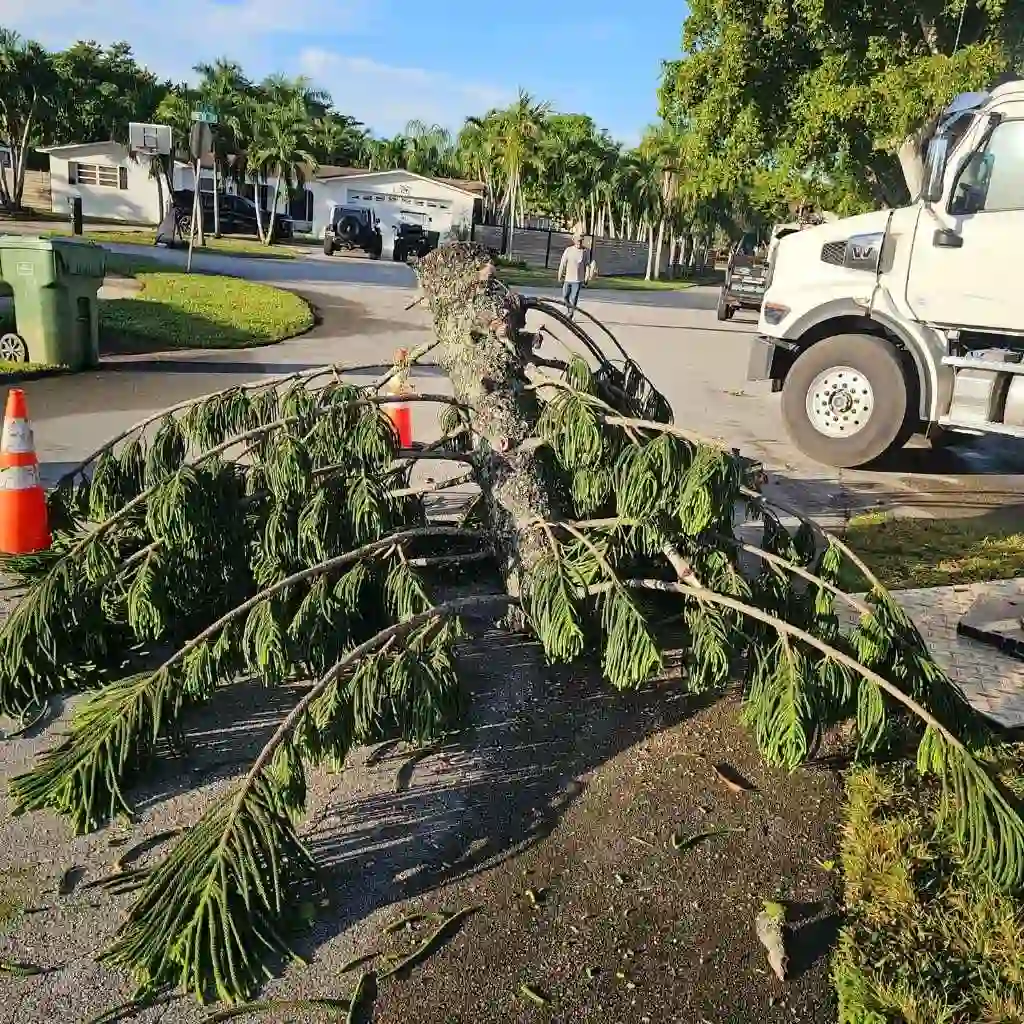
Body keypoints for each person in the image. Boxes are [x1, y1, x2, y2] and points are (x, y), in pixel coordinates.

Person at [557, 234, 596, 319]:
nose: (580, 242)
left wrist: (586, 278)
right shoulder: (568, 250)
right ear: (574, 240)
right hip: (568, 278)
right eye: (578, 240)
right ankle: (569, 309)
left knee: (574, 297)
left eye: (581, 241)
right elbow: (563, 263)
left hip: (578, 280)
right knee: (565, 295)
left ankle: (571, 314)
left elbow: (587, 265)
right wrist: (560, 275)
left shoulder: (585, 251)